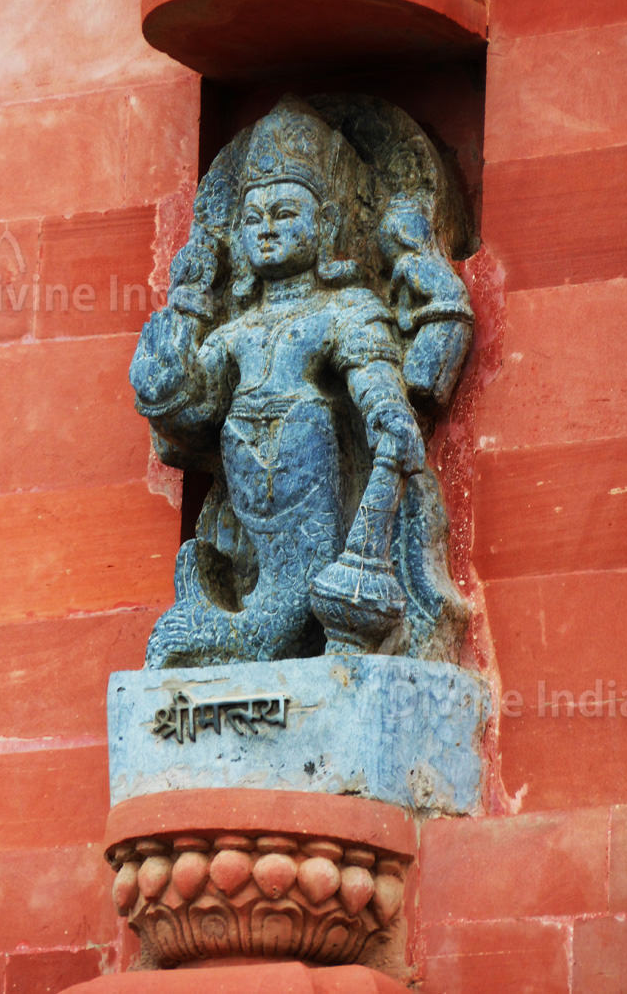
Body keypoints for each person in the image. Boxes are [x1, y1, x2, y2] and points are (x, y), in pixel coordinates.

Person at [131, 96, 470, 668]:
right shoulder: (234, 333)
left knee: (289, 613)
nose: (267, 230)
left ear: (329, 223)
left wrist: (386, 408)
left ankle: (279, 627)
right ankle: (253, 626)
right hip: (249, 523)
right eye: (254, 217)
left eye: (287, 214)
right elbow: (198, 410)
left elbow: (374, 378)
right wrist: (167, 386)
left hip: (316, 500)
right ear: (236, 234)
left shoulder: (346, 310)